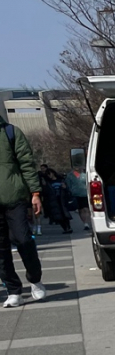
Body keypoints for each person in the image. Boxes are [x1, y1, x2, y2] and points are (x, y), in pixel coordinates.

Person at [0, 121, 46, 308]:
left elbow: (27, 162)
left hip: (15, 197)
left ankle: (35, 280)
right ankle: (13, 291)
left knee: (24, 239)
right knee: (0, 251)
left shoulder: (10, 132)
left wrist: (35, 193)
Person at [65, 166, 90, 231]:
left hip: (85, 194)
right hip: (76, 195)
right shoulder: (70, 176)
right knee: (81, 210)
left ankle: (87, 222)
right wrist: (71, 191)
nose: (77, 168)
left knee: (86, 209)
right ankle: (85, 223)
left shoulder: (85, 175)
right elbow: (68, 185)